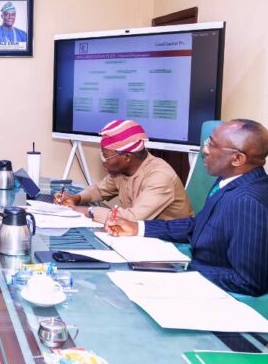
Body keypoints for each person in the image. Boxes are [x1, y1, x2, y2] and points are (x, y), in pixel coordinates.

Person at [105, 119, 268, 296]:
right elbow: (198, 225)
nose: (204, 150)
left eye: (212, 145)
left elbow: (249, 281)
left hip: (221, 297)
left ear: (237, 159)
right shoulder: (228, 181)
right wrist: (138, 228)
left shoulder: (248, 201)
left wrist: (182, 270)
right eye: (207, 142)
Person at [57, 119, 192, 223]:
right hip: (141, 236)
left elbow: (132, 218)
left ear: (127, 157)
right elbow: (99, 190)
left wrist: (86, 211)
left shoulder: (160, 176)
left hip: (174, 244)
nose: (103, 160)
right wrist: (76, 198)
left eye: (106, 156)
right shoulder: (122, 171)